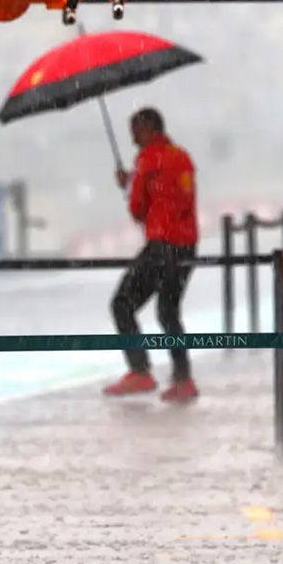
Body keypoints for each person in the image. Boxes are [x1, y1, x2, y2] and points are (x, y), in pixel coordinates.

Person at [104, 108, 201, 402]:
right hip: (186, 244)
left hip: (161, 244)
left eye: (135, 129)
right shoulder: (182, 156)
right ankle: (183, 379)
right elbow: (179, 195)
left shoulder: (147, 159)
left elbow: (138, 209)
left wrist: (129, 185)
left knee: (122, 303)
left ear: (149, 128)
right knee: (168, 311)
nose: (132, 137)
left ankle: (140, 371)